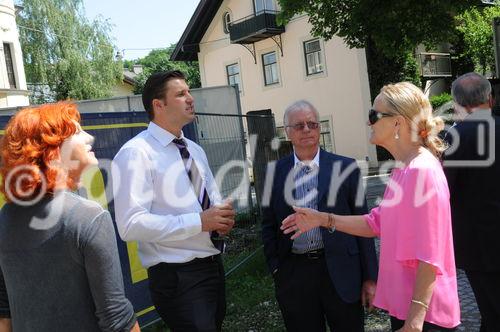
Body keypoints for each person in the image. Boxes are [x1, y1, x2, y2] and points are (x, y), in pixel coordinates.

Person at [282, 83, 461, 332]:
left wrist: (414, 322)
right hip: (407, 309)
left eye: (373, 115)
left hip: (424, 317)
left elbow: (430, 257)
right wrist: (321, 218)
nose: (369, 123)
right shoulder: (405, 169)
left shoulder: (421, 171)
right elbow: (375, 222)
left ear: (397, 123)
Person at [112, 70, 235, 332]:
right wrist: (199, 222)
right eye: (180, 94)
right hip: (178, 278)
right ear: (159, 105)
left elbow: (210, 203)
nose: (190, 98)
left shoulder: (194, 149)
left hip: (212, 267)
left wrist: (220, 220)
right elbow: (130, 224)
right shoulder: (136, 153)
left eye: (189, 92)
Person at [0, 102, 139, 332]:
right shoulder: (89, 218)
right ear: (53, 149)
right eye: (76, 132)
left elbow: (4, 314)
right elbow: (117, 319)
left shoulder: (5, 217)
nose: (89, 137)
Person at [261, 100, 378, 332]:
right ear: (287, 132)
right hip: (295, 274)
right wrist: (277, 268)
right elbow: (267, 225)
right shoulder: (273, 173)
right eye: (299, 125)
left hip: (342, 270)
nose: (307, 129)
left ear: (319, 128)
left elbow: (364, 224)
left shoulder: (345, 168)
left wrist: (370, 277)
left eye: (312, 124)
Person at [443, 72, 500, 332]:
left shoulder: (453, 139)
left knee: (491, 311)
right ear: (491, 99)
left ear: (457, 105)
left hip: (479, 248)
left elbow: (443, 192)